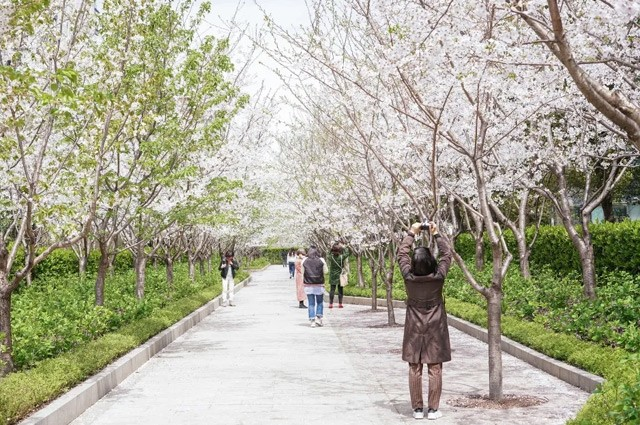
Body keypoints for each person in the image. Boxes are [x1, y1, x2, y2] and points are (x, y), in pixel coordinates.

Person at [397, 221, 452, 420]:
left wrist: (412, 232)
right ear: (431, 262)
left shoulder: (408, 277)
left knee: (415, 367)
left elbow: (401, 254)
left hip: (414, 326)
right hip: (435, 326)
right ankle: (434, 409)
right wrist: (436, 234)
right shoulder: (438, 277)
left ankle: (418, 409)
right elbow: (447, 254)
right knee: (435, 367)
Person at [301, 247, 328, 327]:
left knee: (311, 303)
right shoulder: (321, 260)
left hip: (308, 284)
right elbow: (326, 271)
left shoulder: (304, 260)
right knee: (319, 302)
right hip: (319, 284)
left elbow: (302, 272)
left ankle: (312, 320)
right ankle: (319, 319)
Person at [327, 242, 350, 308]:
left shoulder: (331, 257)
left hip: (332, 276)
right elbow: (347, 253)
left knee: (332, 290)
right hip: (340, 276)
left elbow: (327, 254)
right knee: (340, 290)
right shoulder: (341, 257)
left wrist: (331, 248)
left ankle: (331, 304)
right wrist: (343, 247)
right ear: (340, 250)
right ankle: (340, 304)